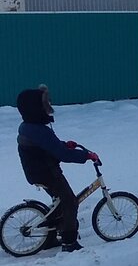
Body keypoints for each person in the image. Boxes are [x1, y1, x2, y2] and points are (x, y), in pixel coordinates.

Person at [16, 86, 99, 252]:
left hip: (38, 172)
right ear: (36, 108)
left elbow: (49, 147)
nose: (48, 108)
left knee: (60, 203)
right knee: (70, 202)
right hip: (47, 174)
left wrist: (64, 145)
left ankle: (50, 238)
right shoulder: (39, 130)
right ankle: (69, 242)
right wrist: (86, 156)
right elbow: (62, 155)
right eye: (44, 104)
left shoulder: (28, 127)